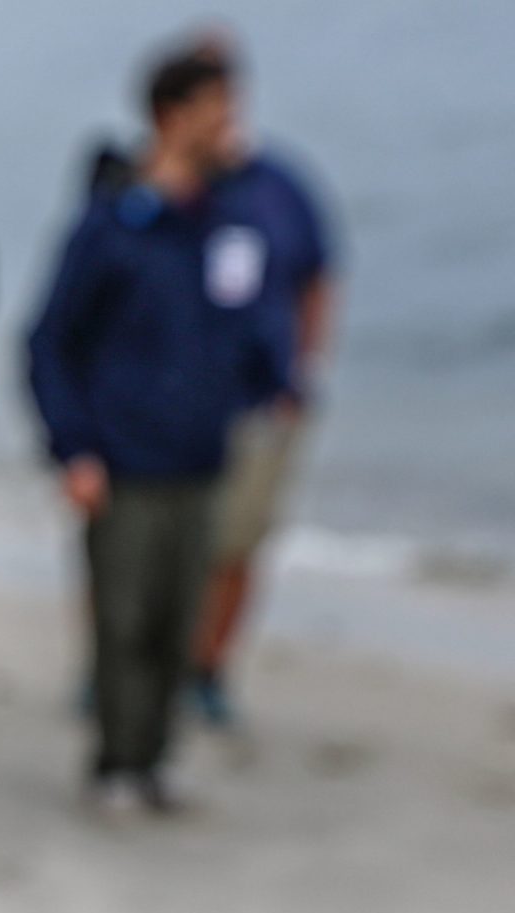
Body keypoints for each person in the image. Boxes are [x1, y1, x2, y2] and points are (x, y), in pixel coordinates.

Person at [28, 49, 286, 816]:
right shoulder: (113, 225)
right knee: (124, 621)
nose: (232, 127)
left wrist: (272, 386)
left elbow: (250, 327)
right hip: (124, 459)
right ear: (173, 116)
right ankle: (117, 762)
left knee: (181, 621)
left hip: (201, 456)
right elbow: (49, 341)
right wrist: (73, 447)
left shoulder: (225, 223)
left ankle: (159, 758)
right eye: (218, 110)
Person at [182, 32, 340, 728]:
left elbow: (319, 276)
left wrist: (301, 372)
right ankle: (132, 662)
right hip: (167, 403)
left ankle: (208, 667)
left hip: (257, 399)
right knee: (152, 538)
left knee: (238, 541)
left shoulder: (277, 186)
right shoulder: (154, 186)